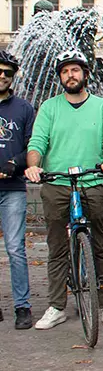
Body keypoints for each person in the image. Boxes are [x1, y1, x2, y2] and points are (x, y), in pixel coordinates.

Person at [24, 50, 103, 330]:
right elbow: (37, 143)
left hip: (91, 182)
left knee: (99, 246)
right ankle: (56, 306)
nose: (71, 75)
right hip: (56, 184)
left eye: (76, 70)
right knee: (57, 248)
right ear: (60, 77)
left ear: (85, 74)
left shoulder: (101, 107)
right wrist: (34, 166)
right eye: (65, 71)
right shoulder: (50, 107)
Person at [0, 51, 35, 329]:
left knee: (15, 248)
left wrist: (16, 163)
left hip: (13, 187)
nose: (2, 76)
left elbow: (32, 145)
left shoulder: (23, 108)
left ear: (13, 77)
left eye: (7, 73)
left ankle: (22, 307)